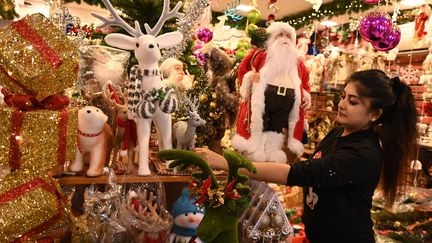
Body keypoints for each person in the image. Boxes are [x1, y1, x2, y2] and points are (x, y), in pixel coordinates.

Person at [194, 69, 418, 243]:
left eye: (353, 102)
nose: (341, 105)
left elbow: (301, 173)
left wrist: (225, 163)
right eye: (343, 96)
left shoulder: (363, 153)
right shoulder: (340, 131)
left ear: (375, 113)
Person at [232, 22, 311, 163]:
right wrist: (249, 78)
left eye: (288, 36)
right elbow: (243, 71)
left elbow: (305, 83)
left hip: (285, 104)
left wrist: (305, 95)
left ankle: (272, 152)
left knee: (276, 128)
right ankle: (255, 151)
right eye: (280, 34)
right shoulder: (260, 55)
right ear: (272, 38)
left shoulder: (298, 63)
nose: (284, 39)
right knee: (259, 123)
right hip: (264, 98)